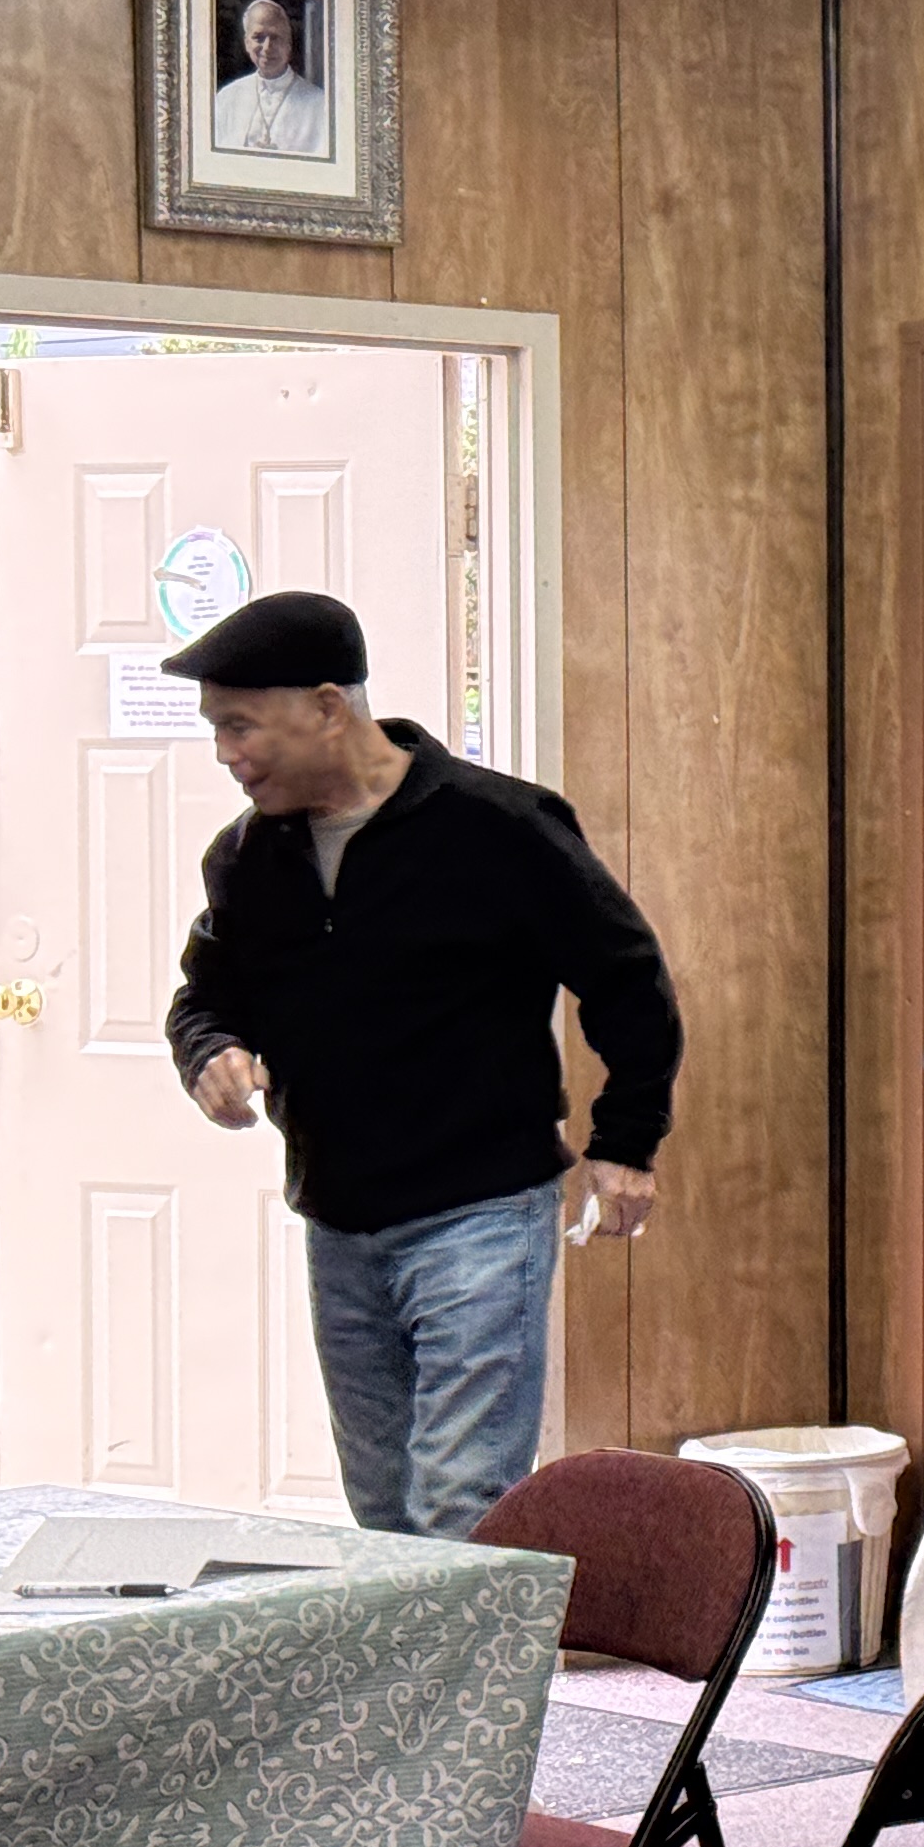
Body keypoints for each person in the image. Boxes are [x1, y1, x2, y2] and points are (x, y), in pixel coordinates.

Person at [161, 590, 680, 1536]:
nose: (228, 754)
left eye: (241, 726)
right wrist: (214, 1051)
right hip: (339, 1223)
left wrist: (627, 1139)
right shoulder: (245, 858)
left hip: (479, 1215)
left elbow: (625, 977)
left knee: (457, 1509)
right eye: (217, 732)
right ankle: (402, 1694)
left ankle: (492, 1694)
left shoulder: (500, 827)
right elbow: (205, 996)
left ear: (327, 706)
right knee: (384, 1518)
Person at [208, 0, 329, 155]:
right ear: (247, 43)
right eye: (258, 37)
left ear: (289, 44)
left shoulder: (319, 105)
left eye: (275, 38)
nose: (267, 47)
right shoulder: (226, 98)